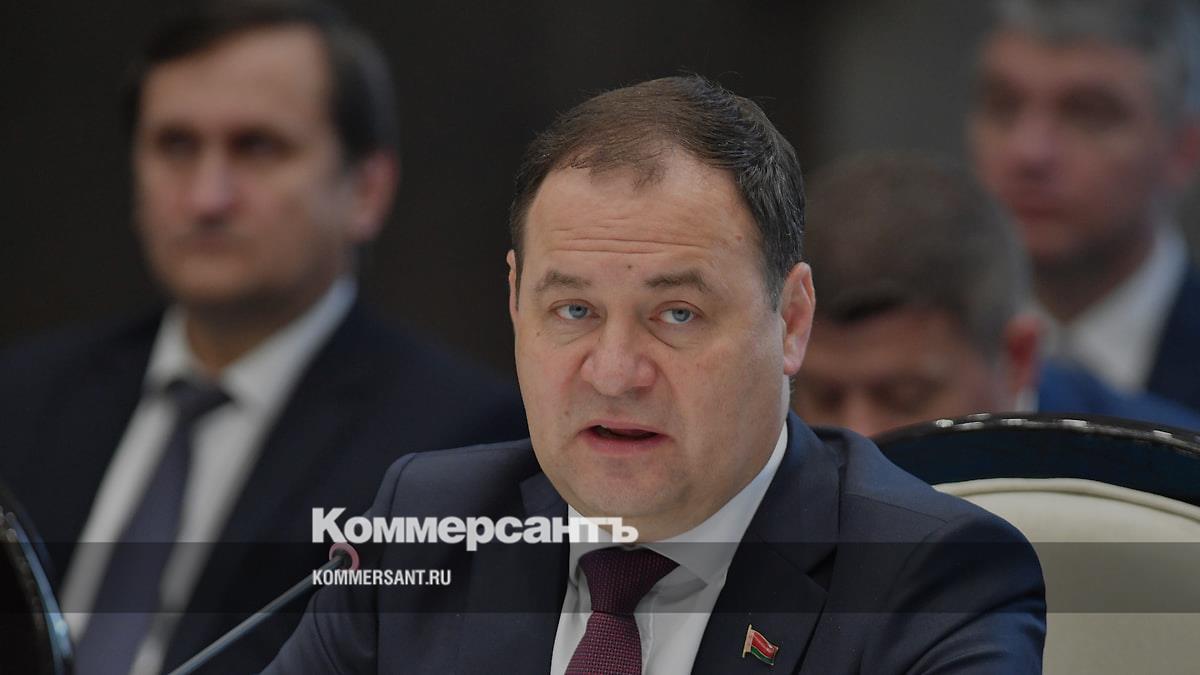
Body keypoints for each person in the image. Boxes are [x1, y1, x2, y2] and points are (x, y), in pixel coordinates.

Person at [265, 76, 1045, 674]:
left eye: (677, 314)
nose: (614, 373)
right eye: (573, 310)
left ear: (791, 320)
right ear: (514, 302)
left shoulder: (929, 577)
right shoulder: (428, 522)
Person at [0, 2, 526, 673]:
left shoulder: (459, 444)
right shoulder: (25, 393)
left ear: (366, 190)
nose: (206, 198)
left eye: (257, 147)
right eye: (175, 146)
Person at [792, 153, 1200, 438]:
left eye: (904, 397)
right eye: (824, 397)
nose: (858, 437)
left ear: (1018, 358)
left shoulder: (1171, 480)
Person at [968, 0, 1200, 413]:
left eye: (1087, 114)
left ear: (1183, 149)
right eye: (1003, 106)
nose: (1029, 152)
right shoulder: (915, 358)